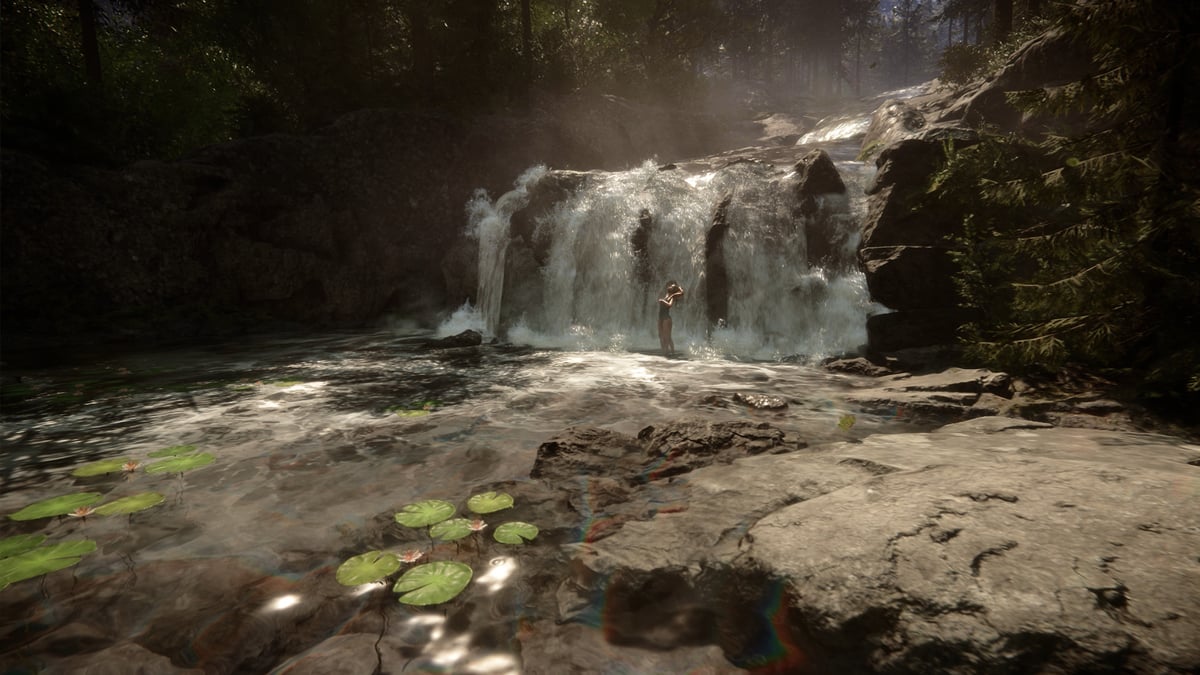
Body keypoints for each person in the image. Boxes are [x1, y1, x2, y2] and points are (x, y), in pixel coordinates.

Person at [657, 281, 684, 356]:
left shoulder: (673, 296)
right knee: (660, 335)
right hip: (660, 317)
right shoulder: (667, 294)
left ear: (673, 290)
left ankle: (672, 352)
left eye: (671, 286)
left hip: (666, 318)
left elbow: (669, 305)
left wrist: (678, 287)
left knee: (667, 337)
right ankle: (664, 352)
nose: (669, 286)